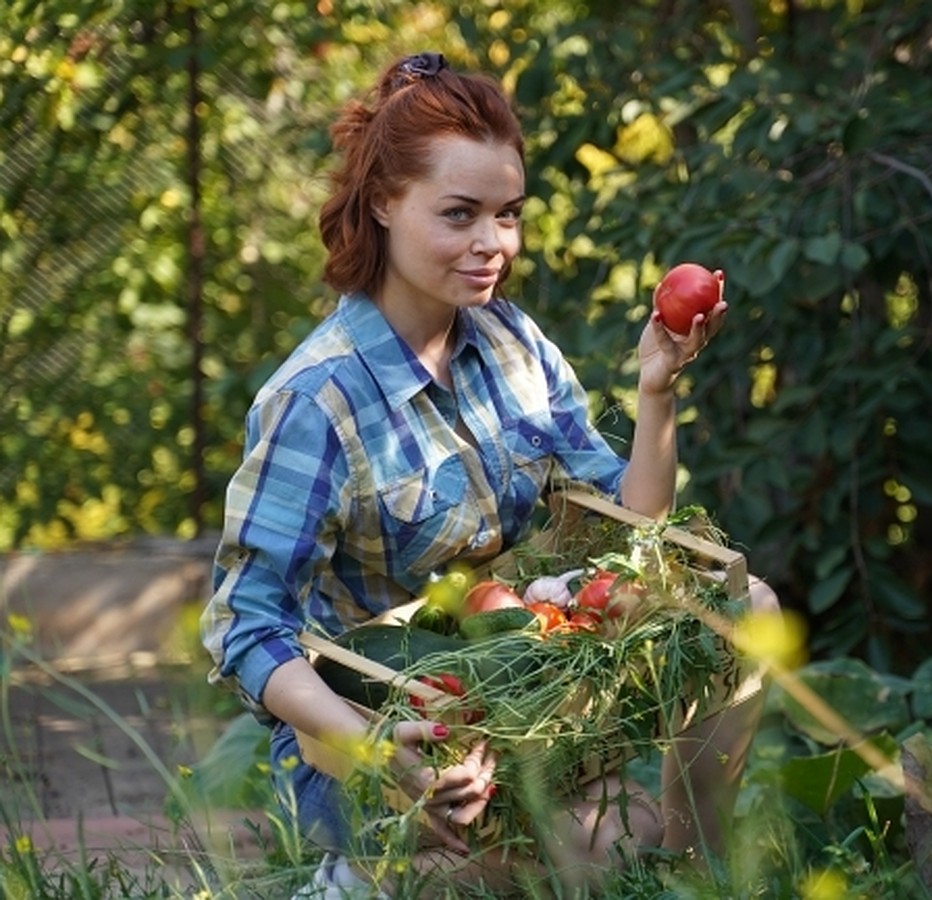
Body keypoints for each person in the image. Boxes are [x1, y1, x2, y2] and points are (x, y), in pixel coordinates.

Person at [200, 50, 778, 898]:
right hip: (381, 723)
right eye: (461, 214)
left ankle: (695, 874)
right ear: (385, 205)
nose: (492, 245)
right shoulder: (317, 401)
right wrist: (374, 749)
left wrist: (657, 392)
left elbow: (632, 522)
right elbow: (246, 630)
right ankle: (364, 872)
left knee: (740, 608)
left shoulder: (508, 342)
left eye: (507, 215)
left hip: (512, 681)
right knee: (595, 851)